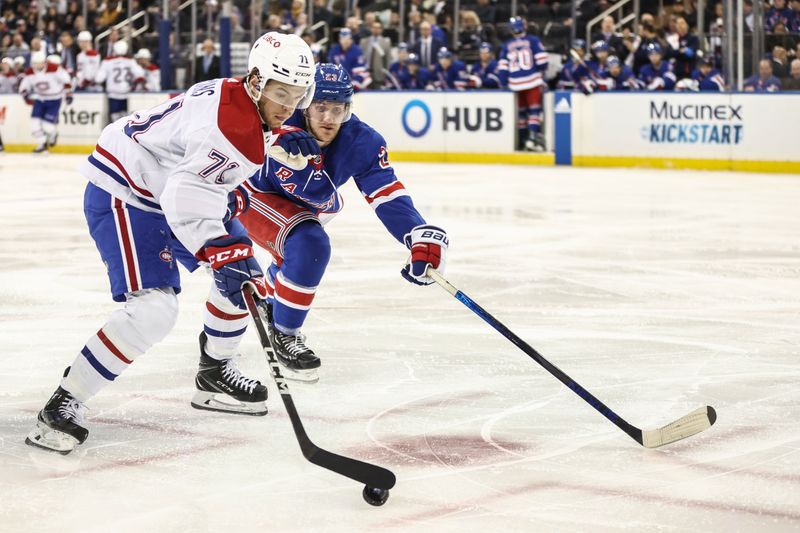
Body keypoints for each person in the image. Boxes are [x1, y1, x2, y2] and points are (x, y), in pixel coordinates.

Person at [25, 32, 319, 454]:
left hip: (164, 184)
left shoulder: (241, 99)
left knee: (247, 282)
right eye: (280, 93)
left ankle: (215, 372)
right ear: (255, 82)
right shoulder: (232, 128)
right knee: (154, 310)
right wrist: (220, 250)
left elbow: (196, 170)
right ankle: (64, 402)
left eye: (297, 95)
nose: (288, 106)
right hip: (128, 190)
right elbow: (185, 197)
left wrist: (271, 141)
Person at [233, 63, 448, 382]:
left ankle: (274, 289)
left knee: (325, 207)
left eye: (338, 109)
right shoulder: (280, 115)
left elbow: (386, 193)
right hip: (253, 193)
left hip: (306, 200)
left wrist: (416, 235)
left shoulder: (363, 141)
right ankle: (285, 334)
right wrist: (273, 136)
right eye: (320, 107)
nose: (329, 119)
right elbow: (236, 120)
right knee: (309, 243)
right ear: (304, 103)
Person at [498, 16, 548, 152]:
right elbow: (542, 62)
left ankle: (522, 140)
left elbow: (502, 68)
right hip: (532, 81)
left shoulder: (506, 45)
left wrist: (504, 84)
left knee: (521, 114)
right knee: (534, 111)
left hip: (515, 83)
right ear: (524, 26)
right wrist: (540, 73)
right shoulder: (533, 40)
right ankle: (531, 139)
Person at [18, 51, 73, 153]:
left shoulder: (54, 68)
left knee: (48, 126)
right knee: (34, 124)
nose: (37, 65)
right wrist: (25, 95)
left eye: (39, 63)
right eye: (35, 63)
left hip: (54, 99)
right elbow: (24, 85)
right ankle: (42, 144)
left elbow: (66, 80)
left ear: (44, 62)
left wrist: (68, 94)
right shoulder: (30, 72)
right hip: (40, 99)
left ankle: (53, 134)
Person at [95, 40, 145, 123]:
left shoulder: (107, 61)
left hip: (113, 95)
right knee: (126, 120)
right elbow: (140, 74)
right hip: (127, 94)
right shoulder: (130, 61)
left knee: (115, 120)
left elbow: (99, 79)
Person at [362, 19, 392, 89]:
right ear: (371, 29)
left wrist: (385, 75)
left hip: (379, 75)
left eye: (378, 28)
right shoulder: (364, 41)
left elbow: (388, 60)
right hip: (365, 73)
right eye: (374, 27)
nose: (376, 29)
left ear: (381, 30)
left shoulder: (386, 43)